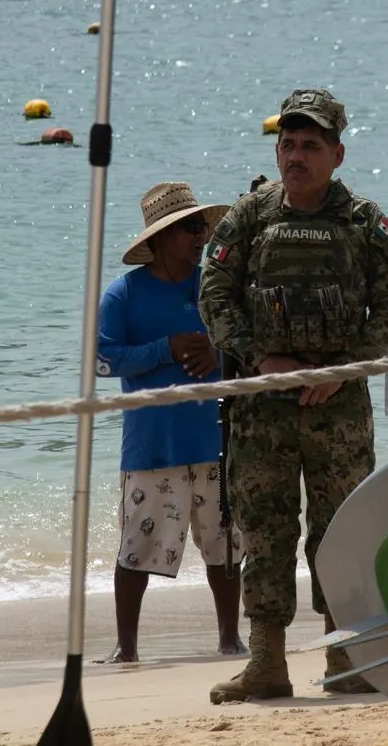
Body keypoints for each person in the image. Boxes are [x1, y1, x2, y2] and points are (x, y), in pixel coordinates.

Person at [199, 88, 388, 704]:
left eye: (311, 145)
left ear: (337, 154)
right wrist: (264, 359)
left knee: (342, 535)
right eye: (288, 144)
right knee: (265, 530)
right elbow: (214, 296)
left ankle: (350, 658)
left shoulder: (364, 222)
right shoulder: (249, 218)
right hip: (263, 407)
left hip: (338, 409)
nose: (296, 155)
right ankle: (266, 665)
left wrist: (343, 367)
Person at [94, 181, 246, 665]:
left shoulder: (215, 287)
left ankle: (230, 638)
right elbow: (100, 361)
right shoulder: (123, 295)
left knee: (225, 545)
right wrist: (166, 349)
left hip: (214, 440)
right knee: (136, 547)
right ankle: (127, 647)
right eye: (190, 228)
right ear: (159, 239)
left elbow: (250, 349)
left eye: (203, 226)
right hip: (152, 447)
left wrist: (217, 353)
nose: (202, 236)